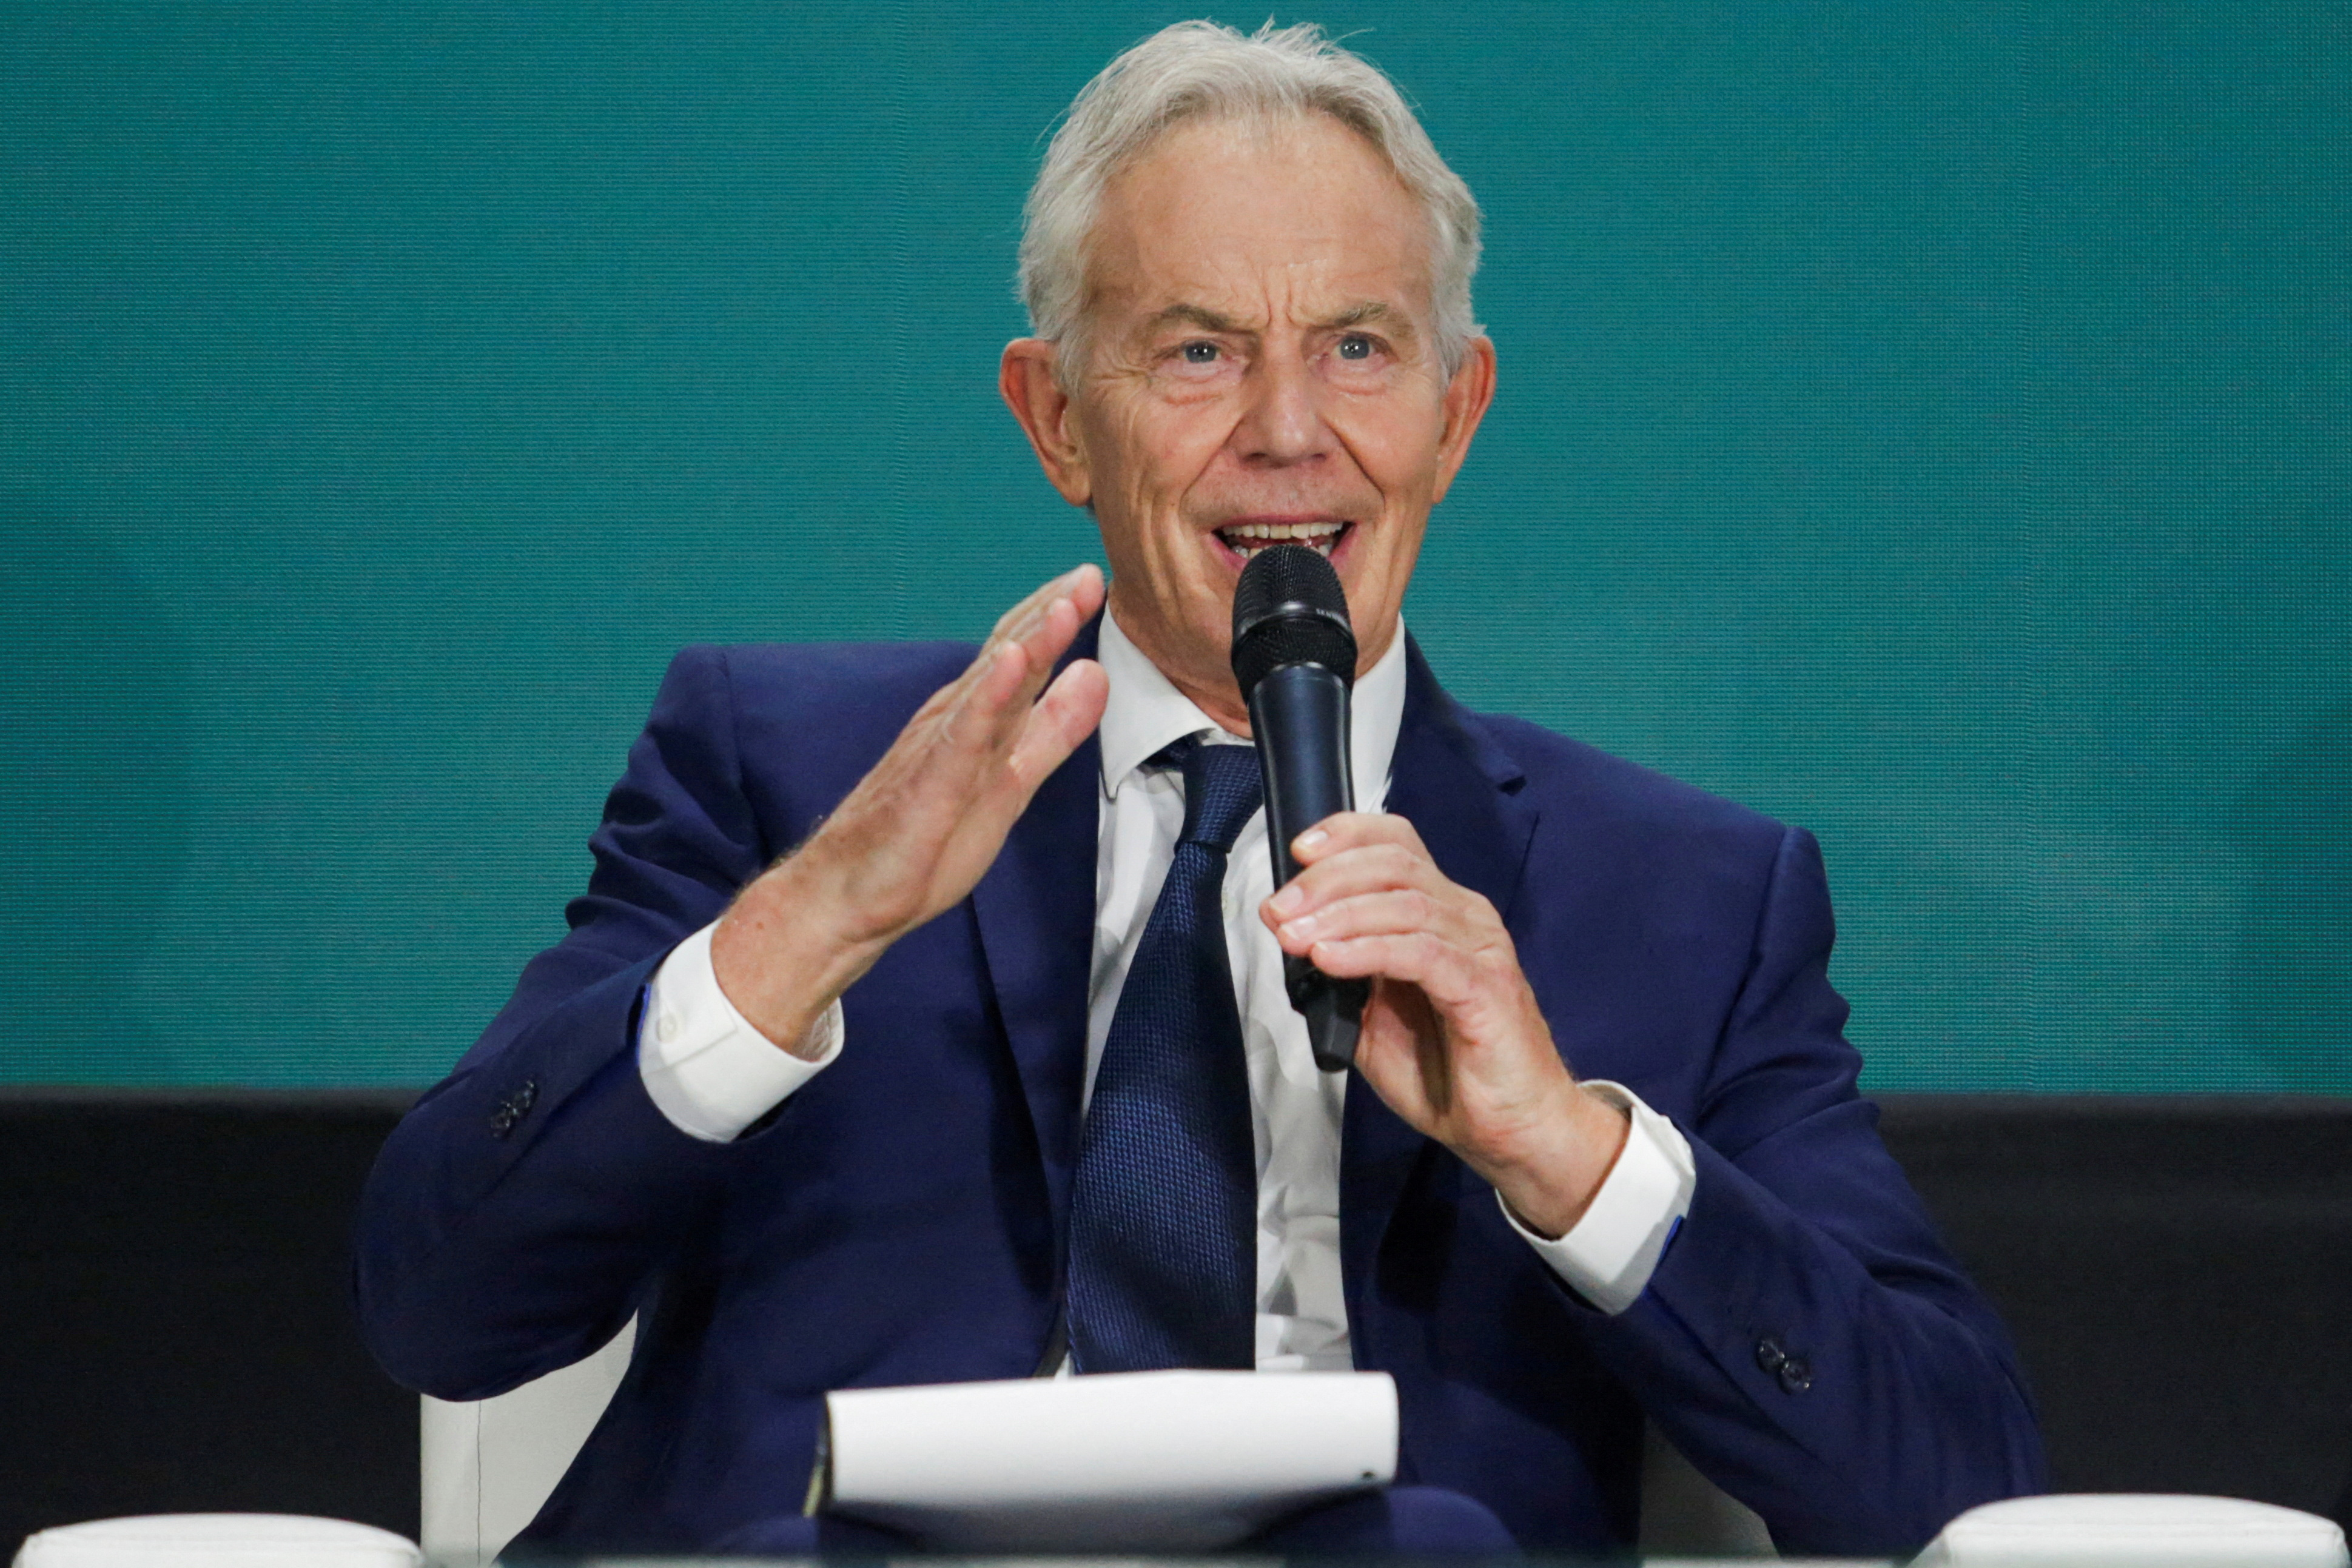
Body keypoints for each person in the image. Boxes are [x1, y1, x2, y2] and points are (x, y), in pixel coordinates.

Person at [355, 21, 2043, 1558]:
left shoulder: (1682, 899)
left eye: (1362, 349)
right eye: (1197, 353)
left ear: (1458, 416)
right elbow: (438, 1304)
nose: (1291, 432)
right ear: (1056, 420)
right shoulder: (790, 769)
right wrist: (802, 925)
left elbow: (1959, 1482)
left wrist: (1573, 1153)